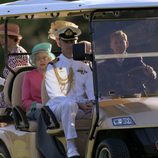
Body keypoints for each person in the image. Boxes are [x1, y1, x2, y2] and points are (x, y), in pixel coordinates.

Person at [45, 22, 94, 158]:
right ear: (59, 43)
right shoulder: (52, 66)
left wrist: (92, 102)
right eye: (66, 41)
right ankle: (71, 146)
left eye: (73, 41)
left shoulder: (84, 65)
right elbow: (55, 94)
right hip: (58, 106)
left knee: (103, 107)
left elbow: (91, 90)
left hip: (83, 107)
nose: (70, 45)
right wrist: (79, 104)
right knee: (69, 105)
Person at [98, 30, 157, 98]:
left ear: (127, 44)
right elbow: (102, 85)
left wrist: (151, 72)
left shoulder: (135, 59)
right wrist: (112, 93)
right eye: (115, 43)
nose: (119, 45)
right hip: (113, 96)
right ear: (111, 45)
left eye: (121, 42)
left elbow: (148, 75)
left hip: (133, 95)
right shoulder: (106, 63)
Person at [22, 42, 55, 120]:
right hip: (36, 109)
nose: (41, 61)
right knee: (43, 114)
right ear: (35, 61)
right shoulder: (29, 76)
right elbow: (25, 101)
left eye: (44, 58)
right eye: (38, 59)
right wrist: (37, 105)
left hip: (54, 107)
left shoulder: (56, 74)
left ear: (50, 59)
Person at [0, 23, 30, 108]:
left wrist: (0, 81)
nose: (1, 40)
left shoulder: (17, 54)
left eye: (3, 37)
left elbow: (15, 81)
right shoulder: (13, 53)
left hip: (14, 96)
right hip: (9, 93)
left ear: (13, 38)